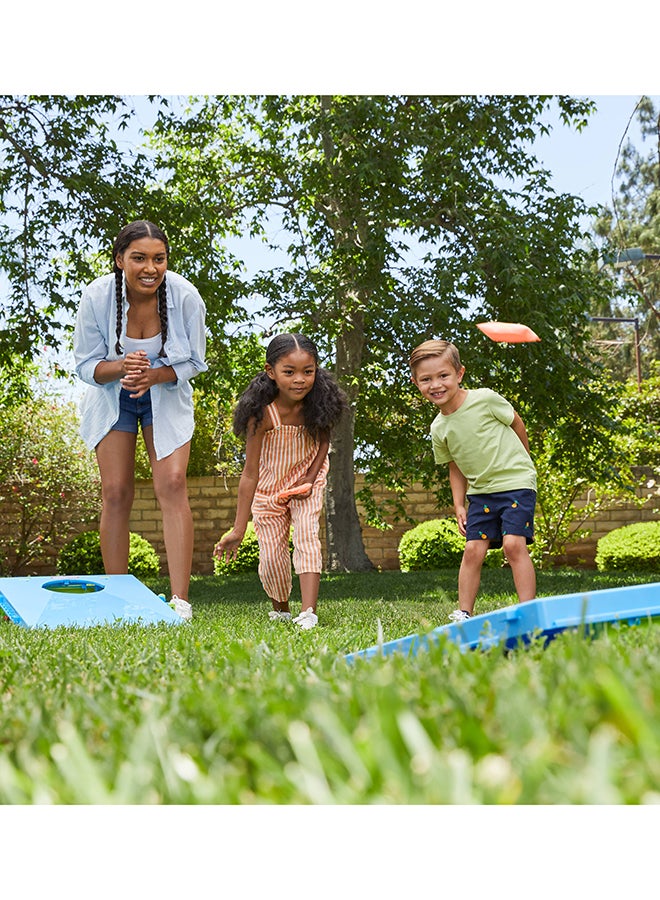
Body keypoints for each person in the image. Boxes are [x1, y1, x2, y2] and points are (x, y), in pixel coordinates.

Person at [73, 220, 207, 620]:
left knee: (172, 482)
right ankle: (117, 598)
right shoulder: (97, 297)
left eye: (158, 258)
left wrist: (153, 375)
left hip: (165, 397)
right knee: (116, 491)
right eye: (139, 258)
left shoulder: (185, 297)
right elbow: (84, 366)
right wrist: (121, 367)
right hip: (113, 398)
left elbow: (196, 361)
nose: (150, 267)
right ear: (120, 260)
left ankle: (179, 600)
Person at [214, 333, 347, 629]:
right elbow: (249, 473)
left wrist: (310, 480)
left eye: (307, 371)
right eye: (289, 372)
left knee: (306, 537)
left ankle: (309, 611)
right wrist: (238, 528)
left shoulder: (319, 404)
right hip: (269, 488)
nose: (300, 379)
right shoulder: (261, 416)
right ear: (271, 372)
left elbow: (324, 445)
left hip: (306, 480)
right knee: (272, 557)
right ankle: (282, 608)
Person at [410, 339, 537, 622]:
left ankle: (528, 609)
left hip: (516, 483)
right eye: (426, 379)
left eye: (443, 375)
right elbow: (454, 465)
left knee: (514, 545)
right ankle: (464, 612)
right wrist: (459, 503)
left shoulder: (485, 399)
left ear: (459, 374)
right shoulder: (439, 427)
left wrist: (524, 461)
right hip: (481, 493)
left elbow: (516, 422)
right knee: (472, 549)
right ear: (416, 383)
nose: (436, 385)